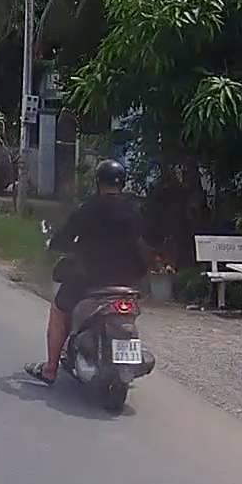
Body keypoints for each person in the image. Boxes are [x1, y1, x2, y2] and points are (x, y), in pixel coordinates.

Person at [25, 159, 149, 384]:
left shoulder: (88, 208)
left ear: (98, 181)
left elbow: (65, 236)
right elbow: (146, 239)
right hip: (128, 281)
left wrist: (55, 244)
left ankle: (50, 369)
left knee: (59, 309)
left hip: (91, 277)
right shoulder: (135, 209)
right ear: (122, 183)